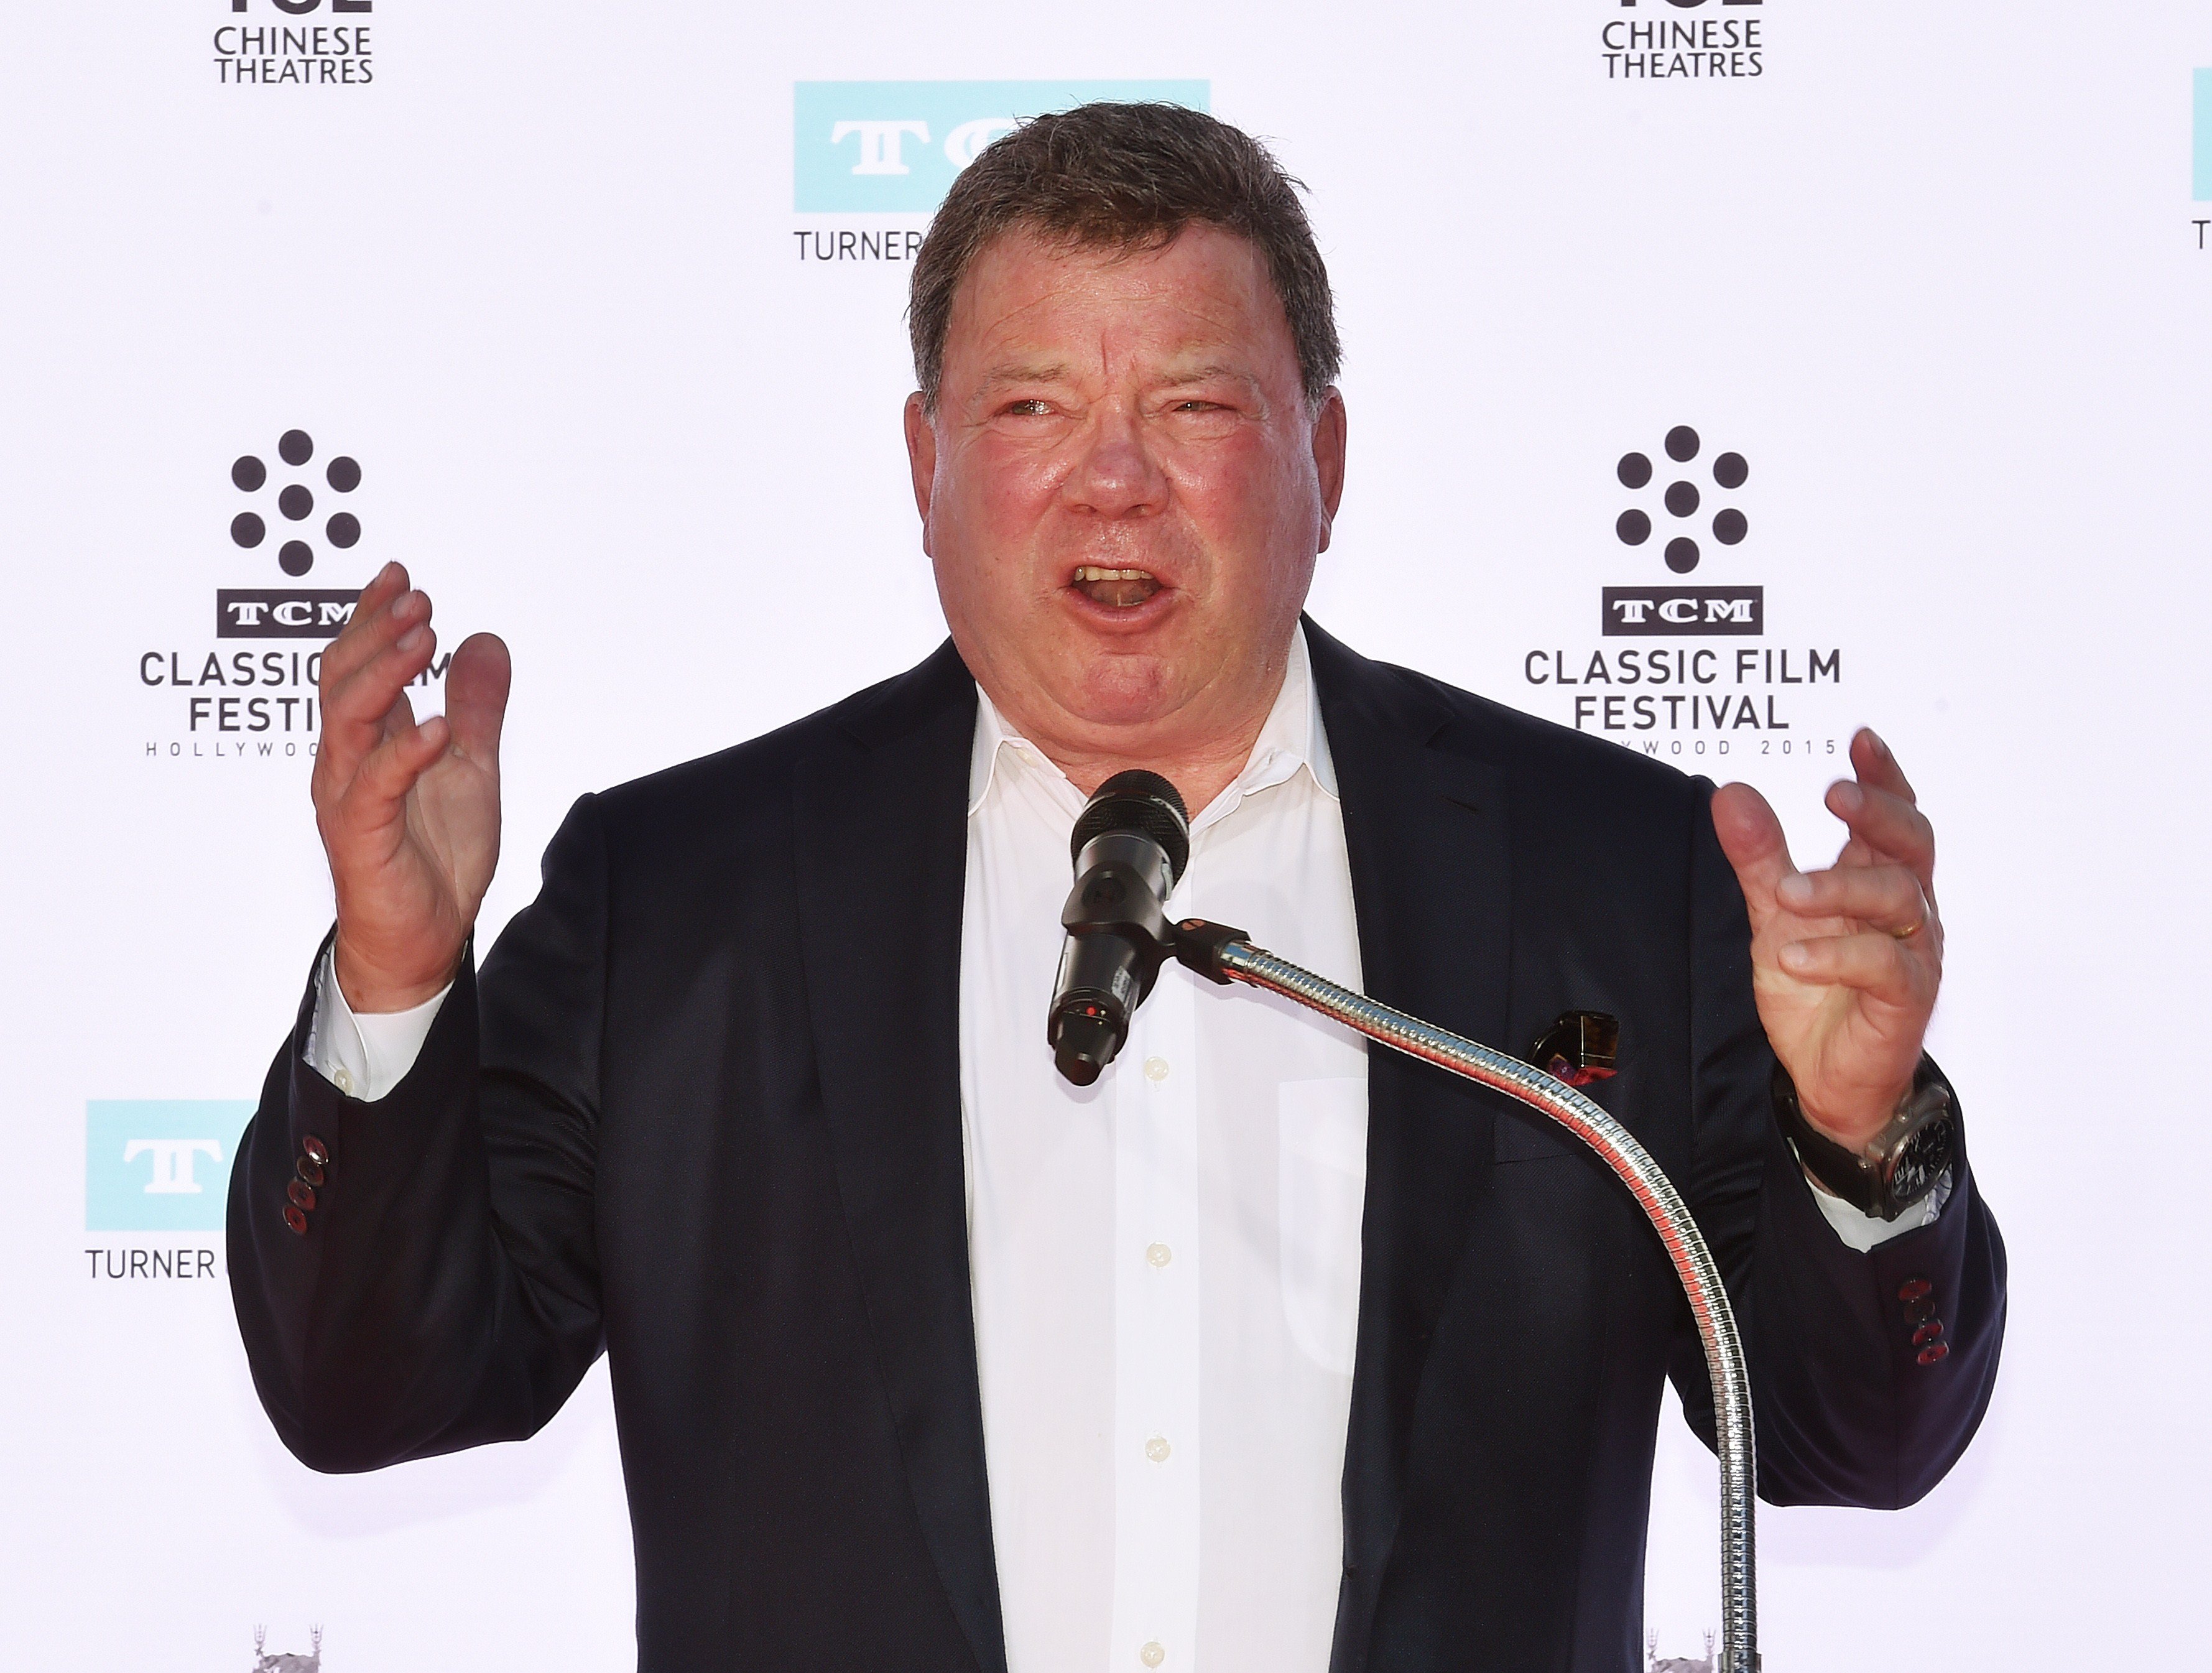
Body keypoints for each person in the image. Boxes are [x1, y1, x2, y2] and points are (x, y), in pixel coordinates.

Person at [229, 103, 2005, 1673]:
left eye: (1194, 403)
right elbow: (366, 1388)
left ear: (1325, 455)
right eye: (1034, 405)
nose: (1116, 476)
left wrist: (1858, 1135)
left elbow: (1857, 1439)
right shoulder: (681, 896)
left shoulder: (1616, 867)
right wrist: (395, 972)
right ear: (926, 468)